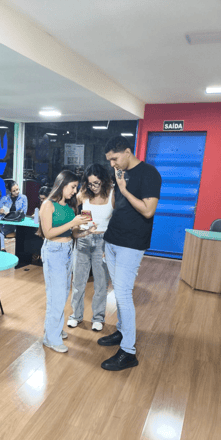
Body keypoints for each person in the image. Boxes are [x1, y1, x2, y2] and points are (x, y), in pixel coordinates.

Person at [98, 136, 162, 371]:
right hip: (113, 239)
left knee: (123, 294)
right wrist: (117, 187)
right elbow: (118, 206)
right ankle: (122, 331)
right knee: (117, 290)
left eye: (114, 158)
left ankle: (128, 351)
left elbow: (148, 210)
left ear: (127, 151)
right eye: (109, 160)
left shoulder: (149, 173)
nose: (112, 163)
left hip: (131, 243)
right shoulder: (120, 173)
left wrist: (124, 189)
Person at [38, 170, 96, 353]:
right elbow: (48, 233)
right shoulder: (48, 205)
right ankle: (51, 338)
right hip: (54, 251)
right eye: (72, 187)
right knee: (56, 296)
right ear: (62, 185)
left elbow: (73, 233)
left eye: (76, 188)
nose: (74, 191)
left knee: (62, 294)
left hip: (68, 250)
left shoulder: (70, 207)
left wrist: (86, 231)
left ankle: (53, 329)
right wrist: (72, 223)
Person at [68, 164, 114, 332]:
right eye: (90, 184)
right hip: (83, 239)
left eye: (96, 183)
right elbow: (71, 209)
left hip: (103, 241)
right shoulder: (83, 194)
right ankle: (76, 315)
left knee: (101, 283)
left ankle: (98, 318)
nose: (93, 187)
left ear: (104, 181)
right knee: (78, 281)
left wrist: (110, 245)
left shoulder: (112, 194)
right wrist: (75, 225)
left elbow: (117, 220)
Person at [0, 181, 28, 250]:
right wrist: (0, 211)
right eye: (14, 191)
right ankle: (2, 245)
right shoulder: (5, 199)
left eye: (17, 189)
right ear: (10, 191)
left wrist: (12, 215)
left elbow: (24, 213)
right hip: (5, 222)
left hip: (15, 223)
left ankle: (1, 244)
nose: (17, 192)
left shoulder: (23, 198)